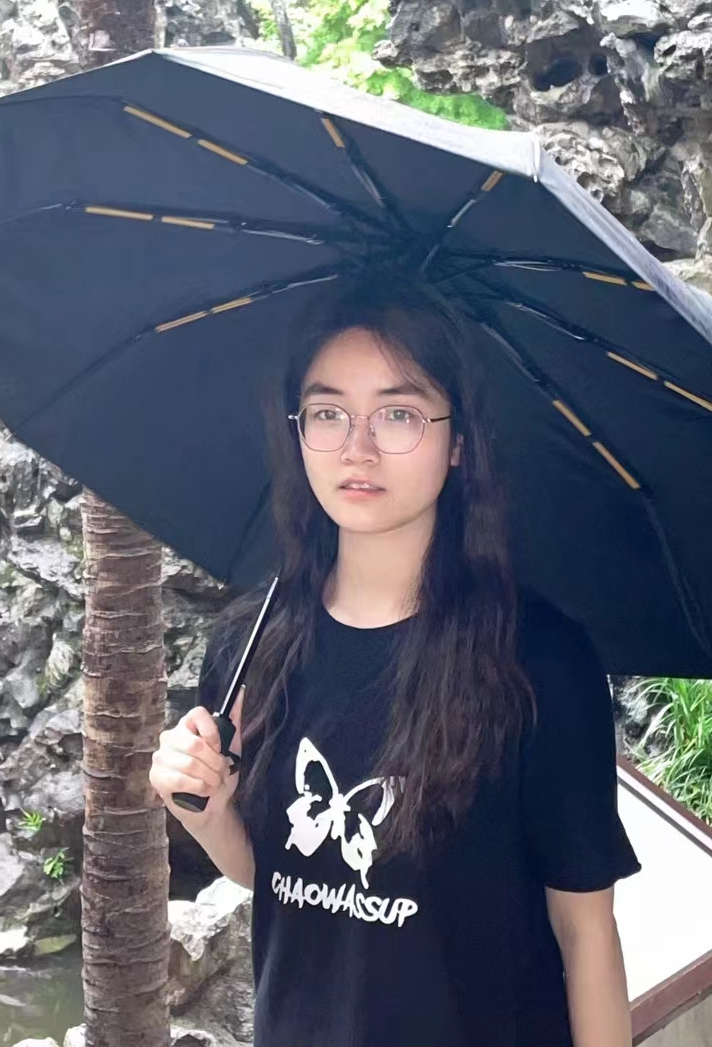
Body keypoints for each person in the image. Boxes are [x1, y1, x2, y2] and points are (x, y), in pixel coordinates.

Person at [150, 272, 642, 1047]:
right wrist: (209, 816)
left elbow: (585, 931)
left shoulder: (539, 662)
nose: (358, 448)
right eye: (328, 413)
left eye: (399, 414)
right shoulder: (250, 643)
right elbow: (282, 879)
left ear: (458, 443)